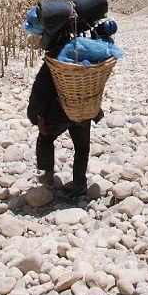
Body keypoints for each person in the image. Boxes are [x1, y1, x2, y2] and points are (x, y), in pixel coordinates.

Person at [26, 43, 98, 197]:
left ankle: (48, 178)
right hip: (83, 112)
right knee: (82, 148)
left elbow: (41, 91)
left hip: (59, 114)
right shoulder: (89, 57)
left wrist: (38, 116)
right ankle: (80, 184)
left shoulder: (53, 62)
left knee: (45, 138)